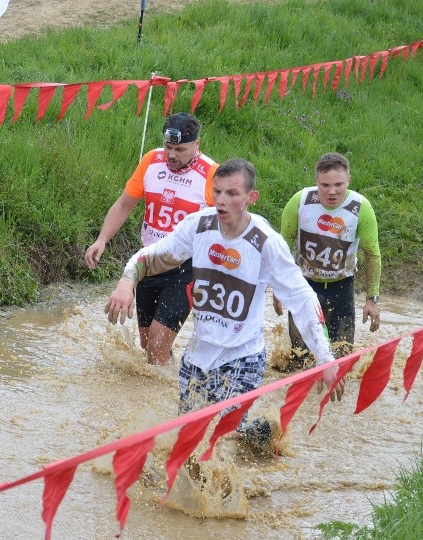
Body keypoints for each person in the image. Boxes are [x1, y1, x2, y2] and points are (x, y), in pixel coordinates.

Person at [105, 158, 343, 442]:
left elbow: (303, 298)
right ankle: (258, 436)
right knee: (189, 442)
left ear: (250, 198)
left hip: (244, 357)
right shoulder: (198, 226)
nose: (221, 200)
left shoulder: (266, 241)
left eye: (231, 193)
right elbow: (153, 255)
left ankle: (246, 441)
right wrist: (127, 279)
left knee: (221, 437)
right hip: (197, 358)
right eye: (217, 192)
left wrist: (325, 359)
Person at [85, 112, 217, 365]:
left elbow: (226, 226)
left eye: (180, 149)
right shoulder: (151, 161)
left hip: (185, 268)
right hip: (148, 262)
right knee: (148, 346)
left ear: (197, 145)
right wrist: (102, 240)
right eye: (168, 147)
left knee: (157, 342)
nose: (172, 155)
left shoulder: (211, 174)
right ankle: (170, 378)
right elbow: (124, 205)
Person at [274, 152, 381, 364]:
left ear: (349, 180)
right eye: (324, 185)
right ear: (316, 181)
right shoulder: (300, 201)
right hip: (303, 286)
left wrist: (372, 299)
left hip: (341, 288)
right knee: (298, 359)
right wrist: (278, 290)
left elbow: (372, 254)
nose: (332, 192)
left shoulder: (361, 207)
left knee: (342, 359)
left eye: (338, 185)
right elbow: (282, 248)